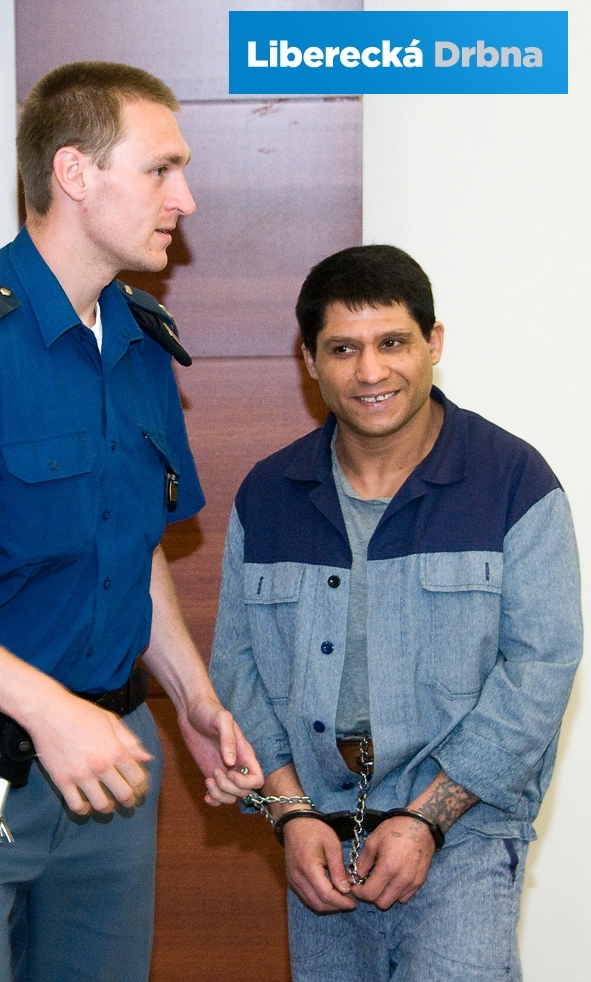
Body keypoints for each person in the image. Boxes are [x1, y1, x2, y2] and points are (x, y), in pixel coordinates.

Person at [0, 60, 261, 982]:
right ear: (74, 173)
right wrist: (44, 709)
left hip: (110, 771)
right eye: (160, 169)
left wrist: (192, 699)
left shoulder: (139, 343)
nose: (183, 198)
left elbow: (129, 548)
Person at [210, 244, 582, 981]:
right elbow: (237, 666)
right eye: (343, 349)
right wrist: (289, 813)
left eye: (392, 343)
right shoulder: (268, 495)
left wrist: (426, 819)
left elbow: (541, 667)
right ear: (309, 360)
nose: (370, 372)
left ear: (433, 342)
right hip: (319, 831)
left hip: (466, 828)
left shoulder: (513, 482)